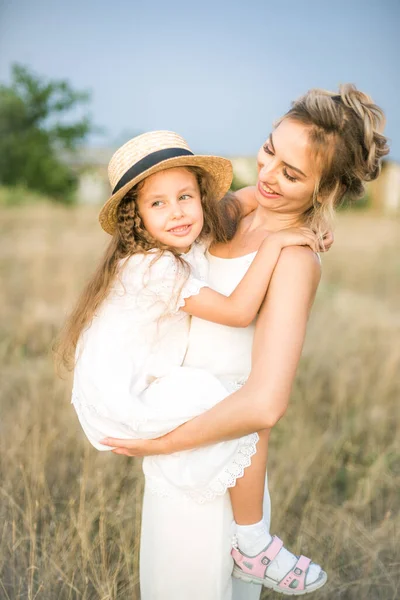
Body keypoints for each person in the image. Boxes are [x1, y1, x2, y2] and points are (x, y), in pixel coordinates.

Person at [101, 84, 389, 599]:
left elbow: (265, 404)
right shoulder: (233, 212)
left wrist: (162, 443)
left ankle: (253, 544)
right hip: (174, 450)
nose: (268, 175)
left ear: (324, 190)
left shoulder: (296, 261)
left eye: (292, 174)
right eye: (270, 150)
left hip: (219, 461)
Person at [56, 130, 326, 595]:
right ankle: (253, 544)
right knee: (245, 413)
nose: (177, 211)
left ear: (202, 198)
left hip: (126, 392)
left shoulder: (172, 243)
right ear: (135, 218)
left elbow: (243, 201)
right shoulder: (154, 267)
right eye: (157, 204)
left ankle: (250, 543)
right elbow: (240, 312)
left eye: (186, 196)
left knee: (243, 414)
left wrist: (293, 212)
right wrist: (278, 243)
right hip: (124, 400)